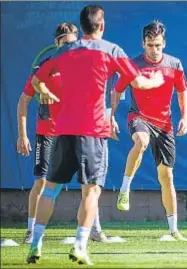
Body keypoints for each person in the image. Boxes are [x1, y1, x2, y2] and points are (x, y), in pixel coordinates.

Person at [27, 5, 164, 265]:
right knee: (91, 191)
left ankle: (35, 244)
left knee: (50, 190)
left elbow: (36, 80)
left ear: (82, 27)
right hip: (92, 131)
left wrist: (43, 88)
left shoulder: (64, 50)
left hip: (63, 129)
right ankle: (80, 245)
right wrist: (156, 79)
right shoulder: (111, 50)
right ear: (101, 26)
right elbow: (140, 83)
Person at [17, 22, 109, 245]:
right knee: (41, 182)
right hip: (48, 133)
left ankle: (95, 230)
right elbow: (24, 100)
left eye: (73, 42)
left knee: (90, 186)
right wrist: (23, 135)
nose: (69, 46)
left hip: (78, 133)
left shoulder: (83, 66)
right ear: (56, 43)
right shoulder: (45, 66)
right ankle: (32, 231)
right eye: (65, 42)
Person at [112, 20, 187, 240]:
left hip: (165, 125)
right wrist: (111, 117)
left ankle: (174, 230)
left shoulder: (174, 64)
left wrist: (184, 116)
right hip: (139, 117)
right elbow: (116, 92)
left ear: (164, 43)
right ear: (143, 44)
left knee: (167, 177)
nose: (154, 50)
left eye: (157, 45)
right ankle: (125, 188)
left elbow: (182, 92)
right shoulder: (133, 65)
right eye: (149, 45)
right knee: (141, 142)